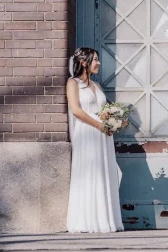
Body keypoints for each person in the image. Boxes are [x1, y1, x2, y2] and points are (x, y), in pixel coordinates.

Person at [66, 47, 124, 233]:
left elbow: (103, 110)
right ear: (84, 62)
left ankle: (105, 220)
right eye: (95, 59)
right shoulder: (72, 83)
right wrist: (99, 125)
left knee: (104, 173)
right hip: (87, 133)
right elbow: (76, 110)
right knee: (90, 173)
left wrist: (114, 121)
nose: (98, 63)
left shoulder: (97, 86)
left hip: (103, 136)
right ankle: (86, 220)